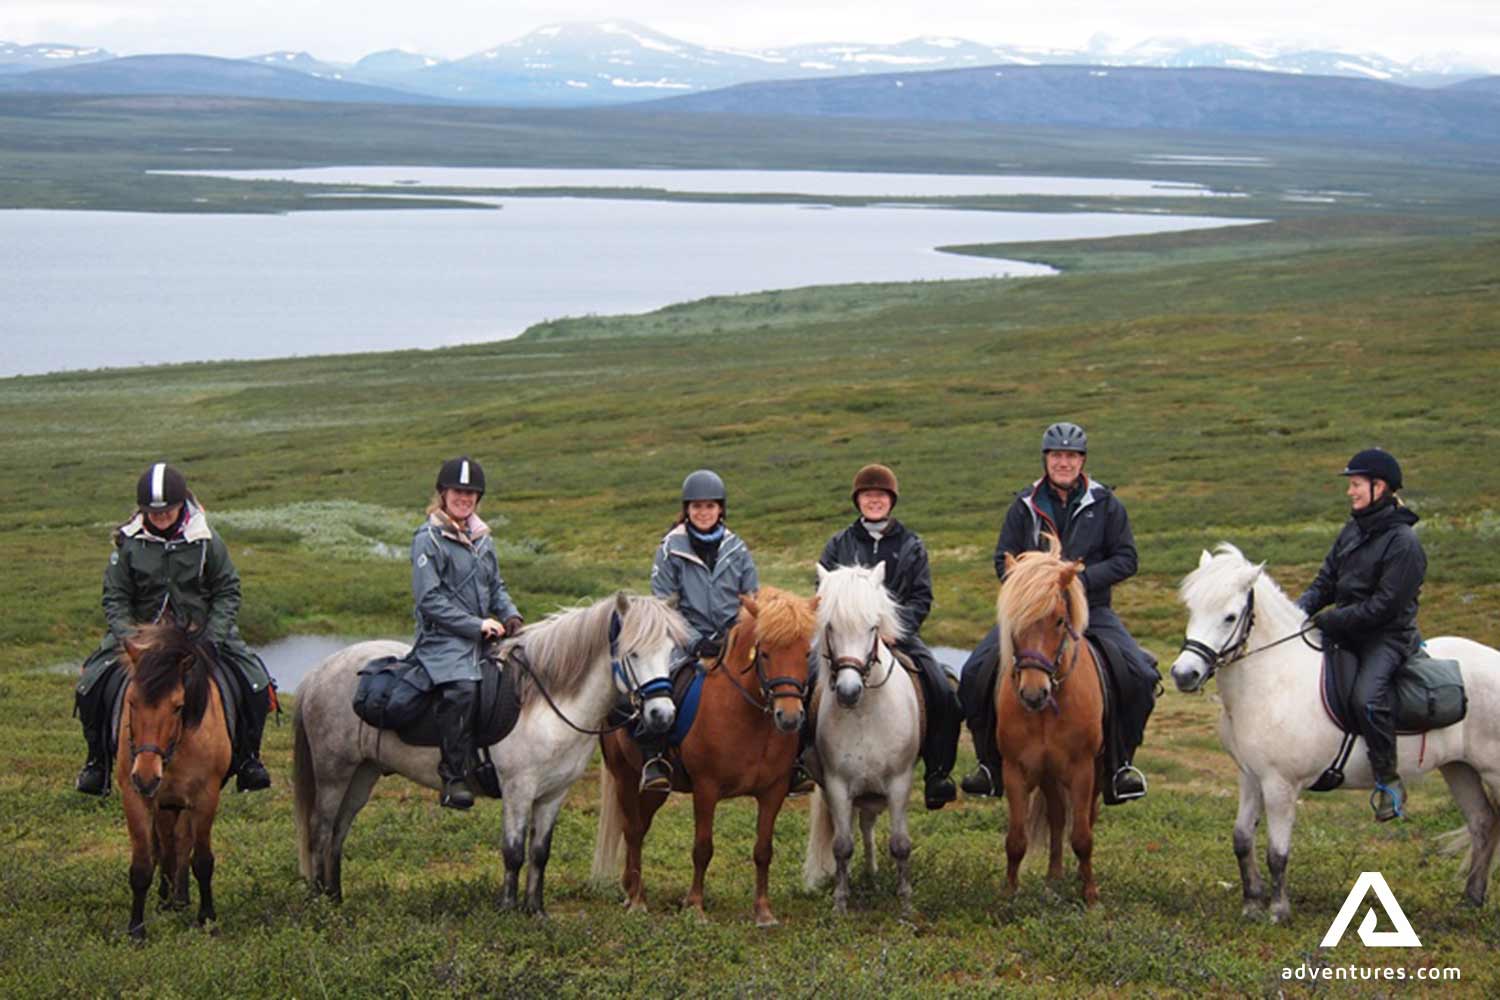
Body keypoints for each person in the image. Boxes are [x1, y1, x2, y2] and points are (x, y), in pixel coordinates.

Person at [958, 422, 1160, 802]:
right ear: (1046, 460)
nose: (1063, 462)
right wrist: (1033, 583)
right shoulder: (1024, 506)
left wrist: (1077, 581)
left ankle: (1120, 766)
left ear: (1081, 461)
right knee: (974, 672)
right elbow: (1003, 561)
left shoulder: (1106, 504)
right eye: (1056, 456)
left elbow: (1127, 559)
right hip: (1032, 616)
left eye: (1071, 456)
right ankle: (988, 766)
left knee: (1138, 674)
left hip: (1091, 611)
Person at [74, 462, 273, 795]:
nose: (161, 516)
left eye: (167, 510)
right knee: (90, 683)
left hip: (199, 633)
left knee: (255, 681)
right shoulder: (129, 544)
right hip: (141, 636)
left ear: (181, 504)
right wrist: (127, 637)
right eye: (154, 511)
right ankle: (96, 763)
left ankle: (250, 760)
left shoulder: (207, 540)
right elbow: (115, 596)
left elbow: (227, 590)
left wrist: (213, 637)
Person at [813, 464, 960, 809]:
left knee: (943, 691)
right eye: (867, 495)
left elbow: (922, 597)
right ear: (858, 500)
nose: (874, 501)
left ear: (891, 500)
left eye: (880, 495)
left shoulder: (911, 545)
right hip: (845, 642)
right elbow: (821, 596)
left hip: (899, 638)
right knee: (802, 685)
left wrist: (892, 630)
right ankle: (802, 763)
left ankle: (938, 772)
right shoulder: (838, 544)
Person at [1296, 448, 1425, 822]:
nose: (1350, 492)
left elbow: (1384, 607)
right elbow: (1326, 581)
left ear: (1378, 486)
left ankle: (1388, 781)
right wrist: (1297, 611)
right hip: (1349, 630)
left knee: (1368, 697)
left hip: (1387, 637)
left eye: (1355, 484)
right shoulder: (1353, 529)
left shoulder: (1404, 543)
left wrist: (1334, 620)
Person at [405, 456, 523, 810]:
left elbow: (496, 586)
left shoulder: (482, 539)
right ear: (443, 493)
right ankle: (454, 775)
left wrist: (510, 615)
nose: (464, 498)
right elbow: (430, 600)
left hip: (480, 638)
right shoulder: (428, 539)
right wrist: (476, 624)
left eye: (471, 493)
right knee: (462, 689)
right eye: (458, 491)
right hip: (441, 641)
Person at [643, 469, 759, 792]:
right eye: (696, 507)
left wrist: (733, 635)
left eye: (710, 506)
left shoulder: (738, 549)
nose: (703, 513)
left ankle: (790, 760)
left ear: (720, 509)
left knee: (772, 678)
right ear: (687, 510)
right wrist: (694, 642)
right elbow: (664, 605)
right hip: (682, 640)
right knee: (661, 688)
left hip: (730, 639)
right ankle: (656, 758)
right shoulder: (669, 549)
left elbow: (751, 598)